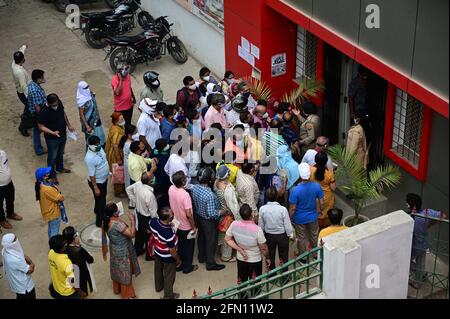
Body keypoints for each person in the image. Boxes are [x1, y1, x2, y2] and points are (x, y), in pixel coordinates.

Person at [406, 193, 448, 289]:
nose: (407, 205)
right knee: (421, 262)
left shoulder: (411, 218)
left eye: (408, 204)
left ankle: (418, 277)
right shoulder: (427, 213)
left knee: (406, 261)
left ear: (413, 206)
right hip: (424, 244)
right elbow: (443, 216)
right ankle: (421, 277)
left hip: (414, 246)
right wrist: (430, 225)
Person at [102, 203, 141, 299]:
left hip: (114, 249)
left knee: (117, 269)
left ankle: (117, 289)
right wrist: (132, 221)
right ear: (115, 213)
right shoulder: (117, 224)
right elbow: (132, 234)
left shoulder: (105, 221)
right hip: (123, 251)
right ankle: (128, 295)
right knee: (125, 273)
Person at [191, 167, 226, 271]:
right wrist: (221, 212)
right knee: (211, 242)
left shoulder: (195, 188)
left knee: (201, 238)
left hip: (199, 217)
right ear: (210, 179)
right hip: (208, 222)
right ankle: (210, 264)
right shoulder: (209, 195)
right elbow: (211, 214)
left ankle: (201, 257)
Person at [225, 204, 270, 284]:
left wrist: (240, 249)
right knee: (255, 284)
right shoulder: (257, 229)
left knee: (242, 283)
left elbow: (227, 239)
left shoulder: (234, 224)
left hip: (241, 259)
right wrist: (267, 258)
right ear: (251, 214)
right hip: (255, 260)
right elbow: (264, 248)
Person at [289, 163, 324, 257]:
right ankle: (315, 254)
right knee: (314, 235)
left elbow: (293, 208)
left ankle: (303, 258)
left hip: (299, 218)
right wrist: (321, 211)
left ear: (300, 175)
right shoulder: (317, 186)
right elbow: (321, 202)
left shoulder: (295, 190)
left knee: (301, 237)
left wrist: (290, 217)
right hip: (313, 216)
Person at [169, 171, 198, 273]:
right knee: (189, 247)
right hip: (186, 226)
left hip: (176, 223)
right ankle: (187, 267)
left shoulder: (171, 189)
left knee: (180, 244)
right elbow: (189, 214)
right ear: (182, 182)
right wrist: (193, 227)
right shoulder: (185, 195)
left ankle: (180, 264)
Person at [37, 93, 74, 174]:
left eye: (57, 103)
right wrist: (52, 132)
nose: (56, 105)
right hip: (52, 139)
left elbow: (63, 113)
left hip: (62, 134)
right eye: (54, 105)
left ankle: (60, 168)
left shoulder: (59, 103)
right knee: (52, 156)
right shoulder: (44, 111)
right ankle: (51, 173)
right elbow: (40, 126)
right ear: (49, 103)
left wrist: (68, 125)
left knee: (60, 153)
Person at [149, 207, 181, 299]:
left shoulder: (153, 221)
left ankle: (158, 287)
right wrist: (177, 259)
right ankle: (168, 296)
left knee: (158, 270)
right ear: (168, 219)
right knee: (169, 276)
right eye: (172, 215)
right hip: (168, 257)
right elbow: (172, 250)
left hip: (157, 252)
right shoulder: (168, 232)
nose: (173, 215)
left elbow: (148, 230)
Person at [259, 187, 293, 270]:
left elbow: (261, 224)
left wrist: (261, 236)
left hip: (269, 235)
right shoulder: (283, 209)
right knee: (284, 256)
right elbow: (287, 225)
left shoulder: (262, 209)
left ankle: (272, 275)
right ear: (277, 196)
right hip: (282, 236)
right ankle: (285, 276)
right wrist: (291, 235)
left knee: (270, 256)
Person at [126, 171, 158, 259]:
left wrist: (134, 201)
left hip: (139, 214)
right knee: (149, 237)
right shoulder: (149, 195)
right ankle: (149, 255)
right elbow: (153, 212)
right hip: (147, 218)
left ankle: (137, 250)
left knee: (139, 234)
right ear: (150, 181)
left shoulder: (138, 184)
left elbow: (128, 189)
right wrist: (155, 223)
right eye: (152, 177)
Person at [214, 165, 240, 262]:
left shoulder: (216, 182)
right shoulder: (227, 189)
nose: (230, 173)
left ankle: (221, 251)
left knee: (221, 234)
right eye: (228, 172)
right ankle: (226, 256)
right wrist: (238, 218)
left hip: (221, 213)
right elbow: (233, 206)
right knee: (227, 235)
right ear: (226, 175)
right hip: (228, 215)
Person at [48, 235, 85, 299]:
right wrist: (80, 292)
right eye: (65, 244)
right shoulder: (67, 263)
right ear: (62, 248)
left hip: (57, 288)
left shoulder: (51, 253)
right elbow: (72, 282)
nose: (67, 244)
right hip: (68, 293)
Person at [62, 226, 95, 297]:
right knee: (84, 291)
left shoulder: (64, 249)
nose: (78, 236)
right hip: (81, 275)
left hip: (71, 276)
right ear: (74, 238)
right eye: (76, 235)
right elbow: (90, 259)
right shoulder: (79, 250)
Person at [84, 135, 110, 227]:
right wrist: (96, 188)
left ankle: (96, 210)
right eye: (97, 144)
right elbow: (92, 175)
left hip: (103, 179)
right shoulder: (89, 158)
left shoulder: (98, 149)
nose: (99, 145)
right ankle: (100, 221)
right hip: (97, 183)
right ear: (91, 146)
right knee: (101, 202)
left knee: (100, 198)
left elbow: (104, 159)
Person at [1, 233, 36, 299]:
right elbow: (30, 270)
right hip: (25, 288)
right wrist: (32, 263)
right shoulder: (16, 259)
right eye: (15, 240)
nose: (17, 240)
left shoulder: (4, 250)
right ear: (12, 244)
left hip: (17, 285)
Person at [35, 167, 64, 238]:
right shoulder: (47, 189)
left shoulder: (41, 185)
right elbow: (60, 198)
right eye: (47, 173)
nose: (49, 173)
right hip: (53, 213)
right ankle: (54, 246)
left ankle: (51, 242)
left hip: (48, 212)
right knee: (54, 232)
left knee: (51, 229)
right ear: (44, 177)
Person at [310, 152, 336, 230]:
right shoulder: (329, 174)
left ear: (315, 160)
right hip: (326, 198)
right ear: (326, 161)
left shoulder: (311, 169)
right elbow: (333, 188)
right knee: (326, 215)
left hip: (315, 197)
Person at [76, 81, 106, 148]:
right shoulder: (82, 101)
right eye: (86, 87)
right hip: (89, 123)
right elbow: (81, 114)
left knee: (100, 136)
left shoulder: (90, 93)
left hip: (96, 119)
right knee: (92, 141)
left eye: (88, 86)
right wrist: (87, 126)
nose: (88, 88)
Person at [11, 44, 31, 137]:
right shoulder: (19, 72)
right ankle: (23, 126)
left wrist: (23, 47)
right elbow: (23, 86)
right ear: (23, 60)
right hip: (23, 93)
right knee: (29, 109)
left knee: (28, 108)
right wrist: (29, 95)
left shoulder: (14, 63)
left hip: (21, 92)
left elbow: (21, 52)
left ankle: (26, 119)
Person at [0, 150, 23, 230]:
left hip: (9, 183)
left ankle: (10, 213)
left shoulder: (2, 153)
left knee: (10, 199)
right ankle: (2, 220)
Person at [105, 112, 126, 196]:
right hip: (115, 154)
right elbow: (115, 145)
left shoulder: (116, 127)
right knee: (118, 172)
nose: (123, 120)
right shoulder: (116, 131)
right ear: (116, 121)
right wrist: (119, 159)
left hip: (116, 152)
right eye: (121, 119)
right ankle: (118, 191)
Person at [27, 69, 47, 156]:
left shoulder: (33, 84)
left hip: (37, 112)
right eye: (42, 77)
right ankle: (39, 149)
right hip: (38, 113)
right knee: (39, 130)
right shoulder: (34, 90)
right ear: (38, 79)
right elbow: (37, 107)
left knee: (37, 131)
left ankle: (39, 148)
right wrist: (42, 117)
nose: (43, 78)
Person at [119, 124, 138, 205]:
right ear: (130, 135)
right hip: (131, 164)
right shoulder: (129, 145)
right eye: (135, 133)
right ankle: (132, 202)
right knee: (131, 182)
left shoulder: (126, 141)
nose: (136, 134)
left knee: (128, 181)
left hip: (128, 163)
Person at [151, 139, 171, 208]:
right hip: (164, 179)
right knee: (164, 195)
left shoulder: (154, 151)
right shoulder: (165, 158)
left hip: (156, 177)